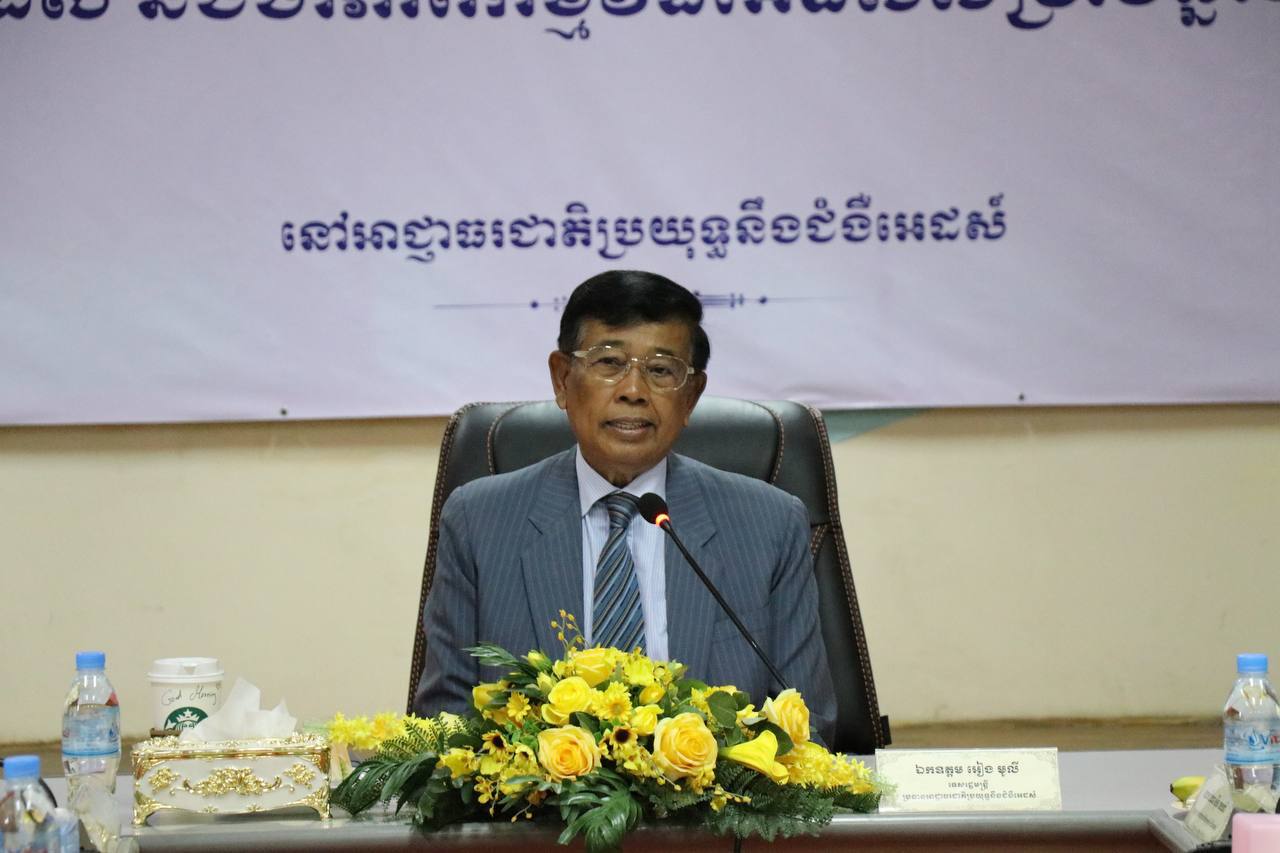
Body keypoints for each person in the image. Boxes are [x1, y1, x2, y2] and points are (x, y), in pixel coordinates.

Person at [414, 269, 836, 743]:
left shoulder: (769, 524)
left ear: (691, 396)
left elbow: (806, 726)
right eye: (609, 362)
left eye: (661, 370)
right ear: (562, 379)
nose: (633, 390)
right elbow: (444, 727)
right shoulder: (479, 522)